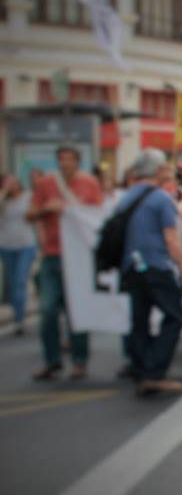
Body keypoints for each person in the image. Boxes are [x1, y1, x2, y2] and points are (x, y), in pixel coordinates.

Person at [114, 149, 182, 395]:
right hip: (156, 266)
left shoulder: (127, 197)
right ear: (159, 171)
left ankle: (141, 370)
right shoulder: (160, 198)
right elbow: (172, 239)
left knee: (139, 320)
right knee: (174, 317)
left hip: (132, 268)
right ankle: (155, 372)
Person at [26, 146, 103, 380]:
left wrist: (72, 209)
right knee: (48, 310)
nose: (65, 164)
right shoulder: (46, 184)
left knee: (76, 310)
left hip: (78, 256)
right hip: (52, 254)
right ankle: (53, 360)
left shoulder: (89, 183)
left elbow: (98, 217)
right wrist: (45, 210)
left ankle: (79, 361)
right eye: (62, 160)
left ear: (77, 162)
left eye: (70, 160)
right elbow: (30, 214)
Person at [0, 174, 37, 336]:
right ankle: (17, 314)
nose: (12, 185)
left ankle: (19, 318)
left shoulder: (28, 197)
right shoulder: (3, 201)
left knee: (20, 281)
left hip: (26, 245)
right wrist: (3, 193)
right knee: (13, 282)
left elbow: (33, 216)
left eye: (14, 182)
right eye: (8, 183)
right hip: (7, 245)